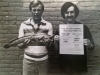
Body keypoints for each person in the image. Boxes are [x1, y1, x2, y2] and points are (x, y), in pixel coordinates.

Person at [54, 2, 94, 75]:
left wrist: (89, 44)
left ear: (75, 13)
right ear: (64, 14)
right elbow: (56, 50)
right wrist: (56, 42)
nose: (69, 15)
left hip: (79, 66)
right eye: (67, 12)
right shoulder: (60, 29)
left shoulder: (83, 28)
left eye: (72, 12)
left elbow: (92, 47)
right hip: (65, 66)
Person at [18, 0, 53, 75]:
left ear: (42, 11)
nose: (36, 12)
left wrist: (48, 43)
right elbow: (19, 45)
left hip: (43, 61)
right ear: (30, 10)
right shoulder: (23, 25)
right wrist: (24, 44)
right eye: (34, 10)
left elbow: (51, 47)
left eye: (39, 10)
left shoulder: (49, 25)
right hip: (28, 61)